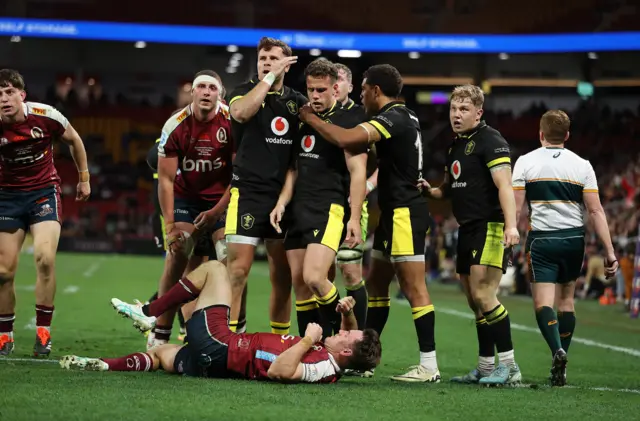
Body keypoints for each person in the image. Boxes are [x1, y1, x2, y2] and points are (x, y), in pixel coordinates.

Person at [298, 64, 439, 382]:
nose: (360, 94)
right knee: (376, 286)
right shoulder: (407, 117)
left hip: (405, 212)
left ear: (376, 91)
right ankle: (367, 356)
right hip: (390, 212)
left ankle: (429, 364)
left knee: (414, 288)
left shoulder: (394, 116)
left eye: (363, 89)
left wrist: (311, 118)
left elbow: (347, 137)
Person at [64, 261, 381, 384]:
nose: (343, 331)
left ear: (345, 353)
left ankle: (149, 311)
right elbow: (346, 335)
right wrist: (347, 310)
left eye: (347, 335)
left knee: (215, 269)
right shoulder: (333, 357)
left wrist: (307, 340)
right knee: (161, 355)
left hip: (223, 347)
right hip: (214, 363)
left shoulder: (322, 366)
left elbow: (279, 371)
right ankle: (104, 364)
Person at [421, 84, 521, 386]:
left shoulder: (492, 141)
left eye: (464, 109)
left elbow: (505, 186)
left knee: (484, 295)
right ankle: (486, 367)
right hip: (467, 228)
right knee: (474, 301)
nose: (456, 114)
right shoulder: (456, 145)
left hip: (490, 225)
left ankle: (510, 366)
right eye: (453, 108)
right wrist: (434, 191)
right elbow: (453, 187)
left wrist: (512, 225)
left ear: (479, 113)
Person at [512, 109, 618, 386]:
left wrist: (508, 236)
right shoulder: (583, 165)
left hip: (542, 240)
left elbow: (517, 208)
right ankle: (562, 361)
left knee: (542, 303)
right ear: (567, 135)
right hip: (573, 240)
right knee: (567, 301)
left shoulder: (525, 162)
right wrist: (609, 251)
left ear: (540, 134)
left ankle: (556, 350)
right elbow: (596, 212)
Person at [269, 59, 367, 339]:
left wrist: (355, 217)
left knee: (314, 277)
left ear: (335, 88)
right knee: (301, 286)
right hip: (297, 210)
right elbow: (295, 168)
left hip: (328, 208)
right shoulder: (301, 120)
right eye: (311, 89)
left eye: (321, 90)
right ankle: (312, 347)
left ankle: (348, 332)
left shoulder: (351, 120)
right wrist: (282, 203)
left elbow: (358, 172)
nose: (314, 95)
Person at [0, 69, 90, 357]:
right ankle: (4, 336)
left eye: (9, 92)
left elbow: (74, 139)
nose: (4, 99)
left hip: (42, 193)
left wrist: (84, 177)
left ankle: (43, 333)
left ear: (22, 95)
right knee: (3, 272)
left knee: (45, 257)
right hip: (6, 197)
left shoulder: (46, 115)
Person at [143, 70, 233, 349]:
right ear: (192, 92)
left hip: (223, 199)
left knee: (230, 258)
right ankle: (160, 330)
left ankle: (225, 332)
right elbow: (166, 181)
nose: (206, 92)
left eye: (212, 88)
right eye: (201, 87)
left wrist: (217, 211)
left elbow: (239, 175)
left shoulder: (233, 122)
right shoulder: (175, 125)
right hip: (186, 199)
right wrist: (170, 227)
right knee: (178, 252)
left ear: (220, 93)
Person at [224, 37, 307, 335]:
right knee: (236, 272)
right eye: (262, 59)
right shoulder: (243, 92)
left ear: (287, 62)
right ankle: (230, 340)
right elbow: (241, 114)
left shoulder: (298, 103)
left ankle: (279, 340)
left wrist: (284, 200)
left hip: (282, 198)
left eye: (273, 58)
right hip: (247, 194)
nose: (266, 63)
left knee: (281, 276)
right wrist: (269, 78)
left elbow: (295, 163)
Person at [329, 62, 378, 330]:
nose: (335, 86)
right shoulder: (319, 113)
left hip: (352, 206)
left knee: (350, 272)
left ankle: (358, 341)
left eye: (340, 80)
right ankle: (326, 338)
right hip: (321, 203)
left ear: (350, 85)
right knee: (321, 274)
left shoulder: (365, 117)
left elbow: (387, 160)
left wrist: (369, 184)